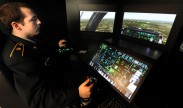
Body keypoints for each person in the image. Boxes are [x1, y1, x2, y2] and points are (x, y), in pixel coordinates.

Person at [0, 2, 94, 108]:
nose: (39, 22)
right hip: (55, 90)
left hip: (56, 75)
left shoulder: (27, 38)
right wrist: (78, 93)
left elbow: (41, 53)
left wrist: (56, 46)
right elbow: (39, 100)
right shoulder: (19, 57)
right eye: (33, 19)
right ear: (16, 25)